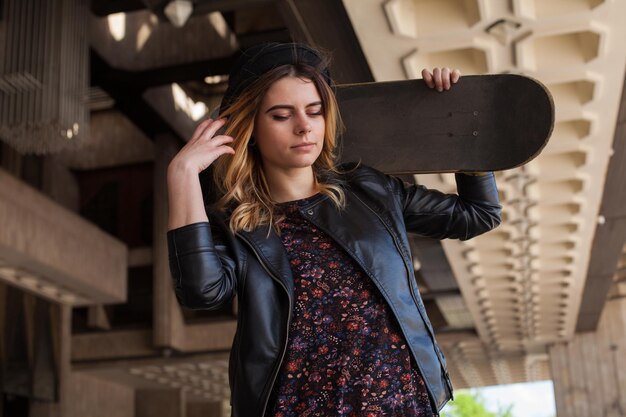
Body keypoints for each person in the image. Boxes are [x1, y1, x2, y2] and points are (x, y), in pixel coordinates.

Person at [166, 42, 501, 417]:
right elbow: (201, 292)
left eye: (315, 111)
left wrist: (457, 120)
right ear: (252, 127)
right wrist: (181, 175)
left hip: (400, 402)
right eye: (281, 115)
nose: (304, 126)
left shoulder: (367, 190)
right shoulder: (235, 225)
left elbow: (477, 214)